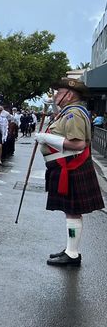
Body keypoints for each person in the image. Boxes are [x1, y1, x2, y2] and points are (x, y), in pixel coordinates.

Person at [35, 78, 104, 266]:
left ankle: (72, 254)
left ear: (69, 94)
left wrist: (46, 138)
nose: (56, 95)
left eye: (59, 92)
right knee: (70, 212)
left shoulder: (74, 114)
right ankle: (70, 250)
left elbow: (78, 143)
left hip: (72, 168)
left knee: (73, 212)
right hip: (65, 167)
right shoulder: (67, 112)